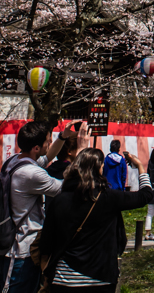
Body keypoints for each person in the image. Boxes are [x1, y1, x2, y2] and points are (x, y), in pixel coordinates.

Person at [38, 146, 151, 292]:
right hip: (100, 277)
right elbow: (145, 196)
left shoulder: (60, 200)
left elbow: (46, 241)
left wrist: (45, 273)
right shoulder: (109, 197)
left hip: (64, 278)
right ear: (98, 169)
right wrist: (140, 167)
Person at [0, 120, 90, 293]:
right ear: (36, 147)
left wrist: (63, 137)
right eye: (48, 141)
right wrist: (82, 151)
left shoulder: (14, 161)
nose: (50, 143)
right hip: (22, 253)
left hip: (14, 247)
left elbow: (47, 158)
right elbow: (68, 186)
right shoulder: (32, 174)